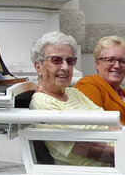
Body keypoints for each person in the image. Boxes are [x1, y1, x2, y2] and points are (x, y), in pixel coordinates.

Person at [27, 31, 115, 166]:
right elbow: (87, 149)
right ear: (38, 67)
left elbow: (111, 123)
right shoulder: (41, 104)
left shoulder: (72, 93)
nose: (65, 67)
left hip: (118, 160)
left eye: (70, 61)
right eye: (56, 60)